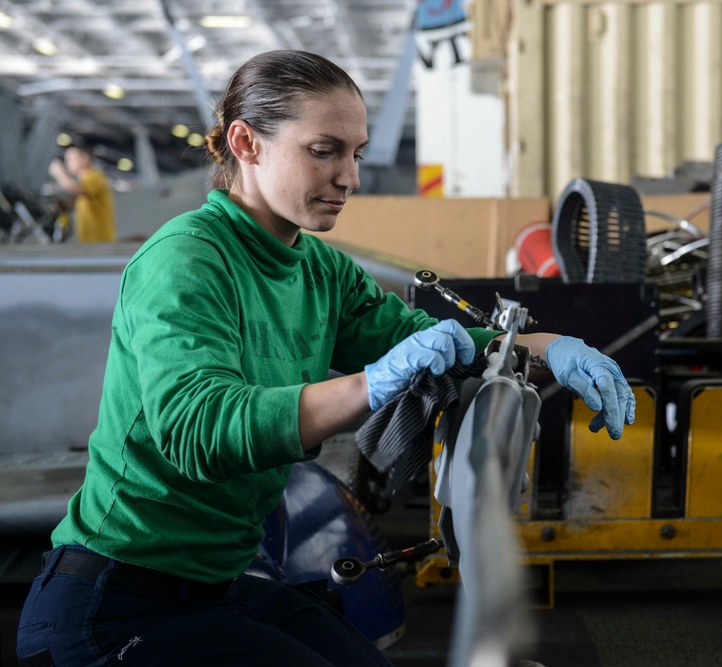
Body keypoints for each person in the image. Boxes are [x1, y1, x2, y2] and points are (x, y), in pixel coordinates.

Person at [16, 49, 635, 667]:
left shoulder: (320, 271)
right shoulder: (185, 262)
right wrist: (376, 382)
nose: (350, 177)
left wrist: (545, 348)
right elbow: (200, 429)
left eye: (356, 153)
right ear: (245, 142)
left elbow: (424, 338)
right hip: (112, 603)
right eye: (324, 151)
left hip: (220, 584)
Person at [48, 144, 117, 243]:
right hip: (90, 243)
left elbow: (78, 190)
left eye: (71, 159)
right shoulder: (84, 182)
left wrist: (59, 173)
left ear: (84, 158)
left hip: (100, 243)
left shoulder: (94, 176)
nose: (67, 163)